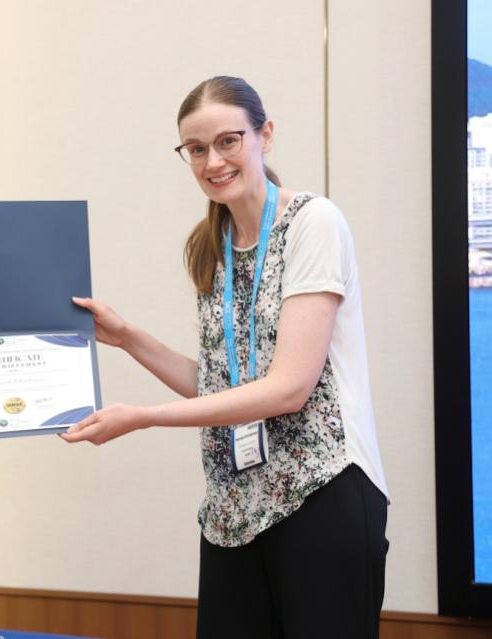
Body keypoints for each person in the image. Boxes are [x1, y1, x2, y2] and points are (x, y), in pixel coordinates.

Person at [62, 76, 390, 638]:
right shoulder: (209, 244)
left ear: (265, 134)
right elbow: (218, 387)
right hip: (233, 512)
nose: (212, 161)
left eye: (228, 141)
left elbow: (289, 388)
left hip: (322, 494)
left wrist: (141, 417)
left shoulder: (313, 223)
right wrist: (127, 336)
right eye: (196, 148)